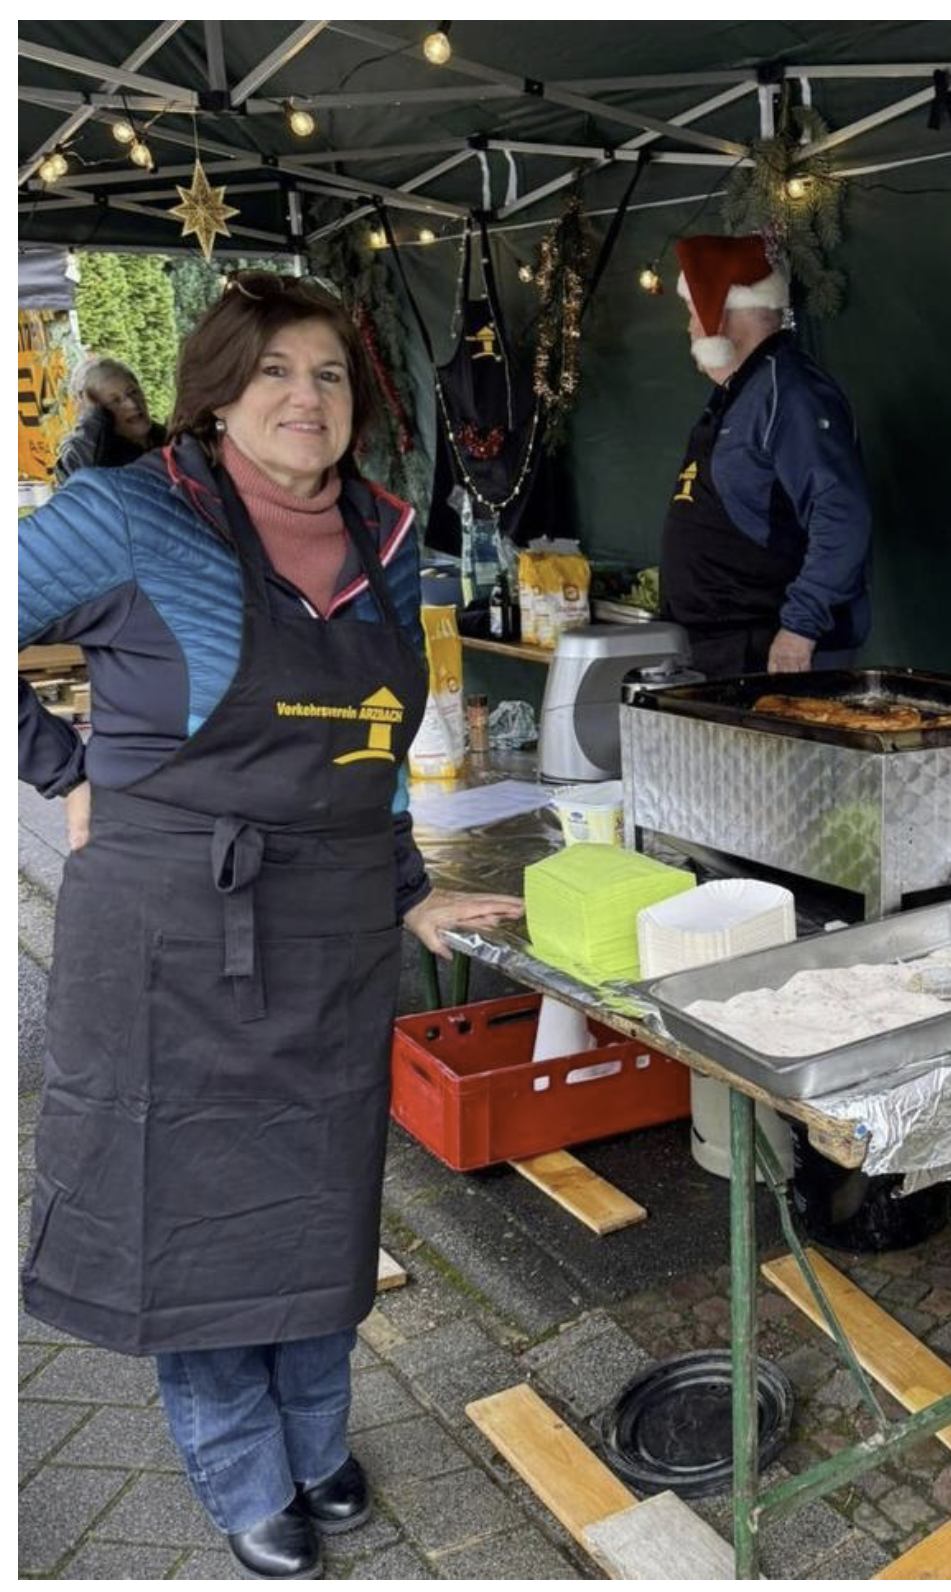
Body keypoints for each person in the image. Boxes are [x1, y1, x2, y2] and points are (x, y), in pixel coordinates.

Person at [17, 271, 522, 1580]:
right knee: (188, 1218)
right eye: (275, 371)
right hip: (167, 935)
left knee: (317, 1206)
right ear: (217, 392)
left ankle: (315, 1443)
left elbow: (378, 751)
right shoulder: (129, 514)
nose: (307, 397)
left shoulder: (387, 537)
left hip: (332, 936)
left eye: (331, 373)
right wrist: (63, 769)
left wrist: (411, 885)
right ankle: (244, 1475)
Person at [659, 233, 871, 677]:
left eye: (693, 312)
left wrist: (799, 629)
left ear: (720, 313)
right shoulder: (739, 393)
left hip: (771, 654)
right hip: (720, 651)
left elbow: (841, 513)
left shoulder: (790, 393)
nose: (690, 328)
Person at [53, 353, 167, 482]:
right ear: (96, 412)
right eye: (115, 401)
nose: (132, 404)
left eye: (133, 392)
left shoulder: (173, 439)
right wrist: (91, 422)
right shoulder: (88, 457)